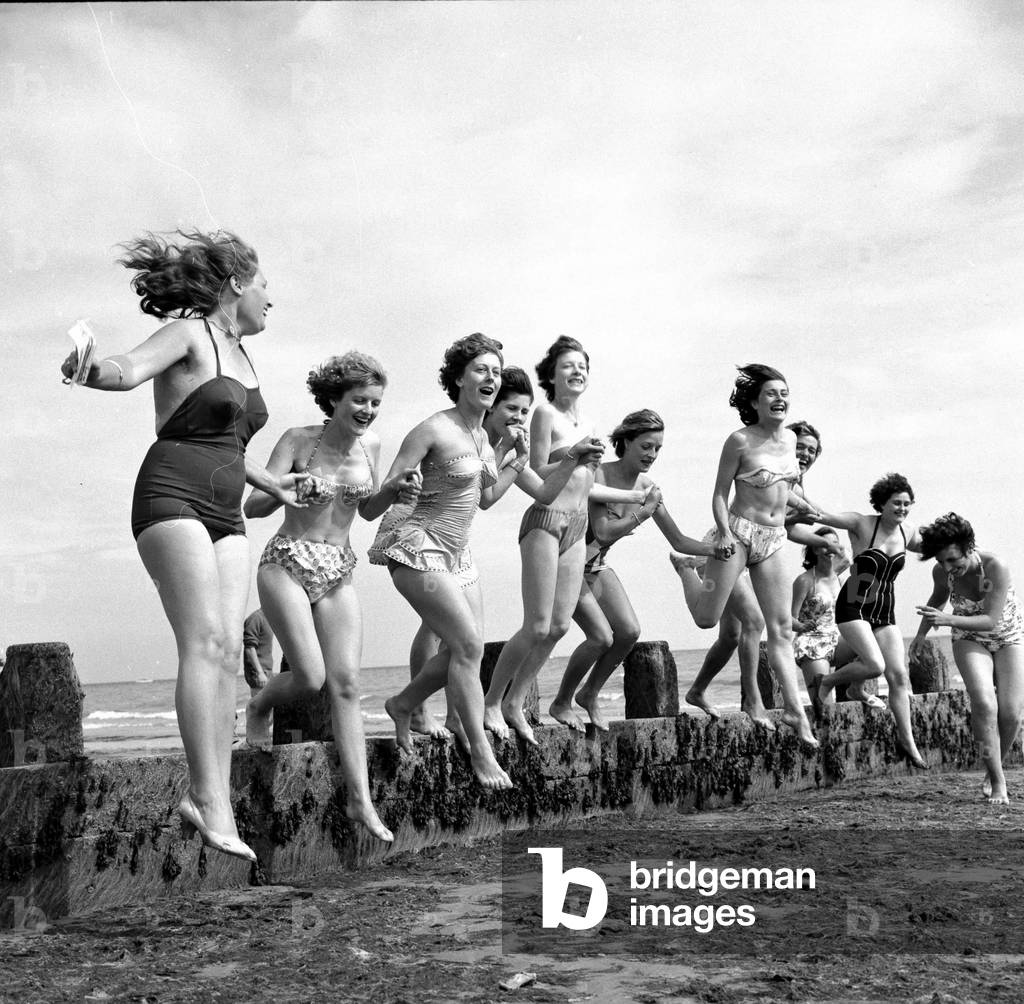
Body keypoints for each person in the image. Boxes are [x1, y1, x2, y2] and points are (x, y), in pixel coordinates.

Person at [59, 229, 306, 862]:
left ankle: (212, 797)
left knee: (225, 654)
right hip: (171, 495)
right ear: (237, 283)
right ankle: (207, 797)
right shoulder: (190, 333)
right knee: (203, 642)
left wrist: (274, 483)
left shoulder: (244, 357)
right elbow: (128, 369)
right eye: (266, 285)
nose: (272, 298)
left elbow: (232, 445)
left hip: (227, 511)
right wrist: (89, 368)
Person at [378, 334, 599, 789]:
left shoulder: (483, 438)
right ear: (459, 378)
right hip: (418, 546)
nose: (491, 378)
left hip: (458, 554)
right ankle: (480, 752)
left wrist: (550, 459)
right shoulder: (431, 429)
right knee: (466, 646)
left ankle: (403, 704)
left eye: (496, 372)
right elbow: (379, 498)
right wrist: (399, 488)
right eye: (482, 370)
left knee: (465, 647)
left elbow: (494, 496)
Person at [243, 352, 422, 841]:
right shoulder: (298, 440)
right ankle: (260, 705)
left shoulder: (372, 446)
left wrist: (394, 491)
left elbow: (367, 511)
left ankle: (359, 800)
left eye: (375, 403)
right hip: (286, 561)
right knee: (310, 676)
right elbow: (253, 505)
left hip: (338, 568)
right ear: (334, 399)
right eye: (359, 400)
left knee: (346, 684)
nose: (368, 411)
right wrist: (287, 489)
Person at [676, 365, 818, 746]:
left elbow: (783, 491)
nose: (780, 399)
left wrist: (810, 509)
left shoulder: (791, 440)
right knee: (707, 619)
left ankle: (794, 710)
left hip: (772, 541)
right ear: (754, 402)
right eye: (771, 393)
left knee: (780, 629)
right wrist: (723, 531)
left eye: (784, 393)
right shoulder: (739, 441)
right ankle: (687, 569)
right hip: (736, 535)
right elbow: (720, 494)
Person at [549, 410, 715, 731]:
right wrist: (643, 512)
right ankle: (561, 702)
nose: (652, 454)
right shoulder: (599, 475)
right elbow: (603, 532)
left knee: (628, 632)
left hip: (595, 565)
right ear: (625, 442)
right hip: (566, 562)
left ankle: (589, 693)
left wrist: (715, 549)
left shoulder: (648, 486)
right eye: (646, 446)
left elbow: (678, 540)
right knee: (600, 637)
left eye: (657, 448)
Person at [481, 337, 608, 740]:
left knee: (559, 627)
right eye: (568, 365)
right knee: (536, 625)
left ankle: (515, 703)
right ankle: (491, 702)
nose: (577, 371)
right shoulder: (544, 413)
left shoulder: (589, 424)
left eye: (582, 365)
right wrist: (574, 453)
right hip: (545, 521)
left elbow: (588, 484)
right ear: (551, 375)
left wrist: (639, 499)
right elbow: (535, 468)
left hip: (578, 524)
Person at [807, 473, 928, 768]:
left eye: (907, 504)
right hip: (854, 604)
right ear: (881, 503)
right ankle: (829, 681)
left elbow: (938, 546)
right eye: (896, 503)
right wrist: (795, 487)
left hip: (884, 610)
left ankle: (908, 741)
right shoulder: (862, 524)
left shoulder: (908, 533)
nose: (902, 508)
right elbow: (822, 514)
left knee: (899, 676)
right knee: (875, 665)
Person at [912, 513, 1024, 803]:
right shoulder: (942, 572)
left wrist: (947, 619)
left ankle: (994, 765)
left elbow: (990, 620)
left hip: (1008, 636)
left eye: (953, 560)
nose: (948, 567)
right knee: (985, 704)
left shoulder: (994, 567)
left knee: (1011, 713)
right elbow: (937, 599)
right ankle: (998, 780)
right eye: (941, 561)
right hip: (968, 638)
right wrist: (921, 634)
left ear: (969, 548)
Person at [791, 528, 843, 706]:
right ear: (814, 549)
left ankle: (852, 688)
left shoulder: (840, 579)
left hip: (837, 639)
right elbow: (788, 620)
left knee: (871, 654)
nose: (830, 548)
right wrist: (801, 626)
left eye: (834, 543)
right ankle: (822, 689)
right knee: (824, 706)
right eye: (824, 544)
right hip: (813, 642)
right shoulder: (804, 580)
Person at [242, 608, 274, 696]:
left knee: (268, 704)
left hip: (267, 673)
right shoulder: (255, 618)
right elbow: (249, 648)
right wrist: (260, 673)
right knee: (259, 704)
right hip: (259, 675)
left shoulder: (269, 619)